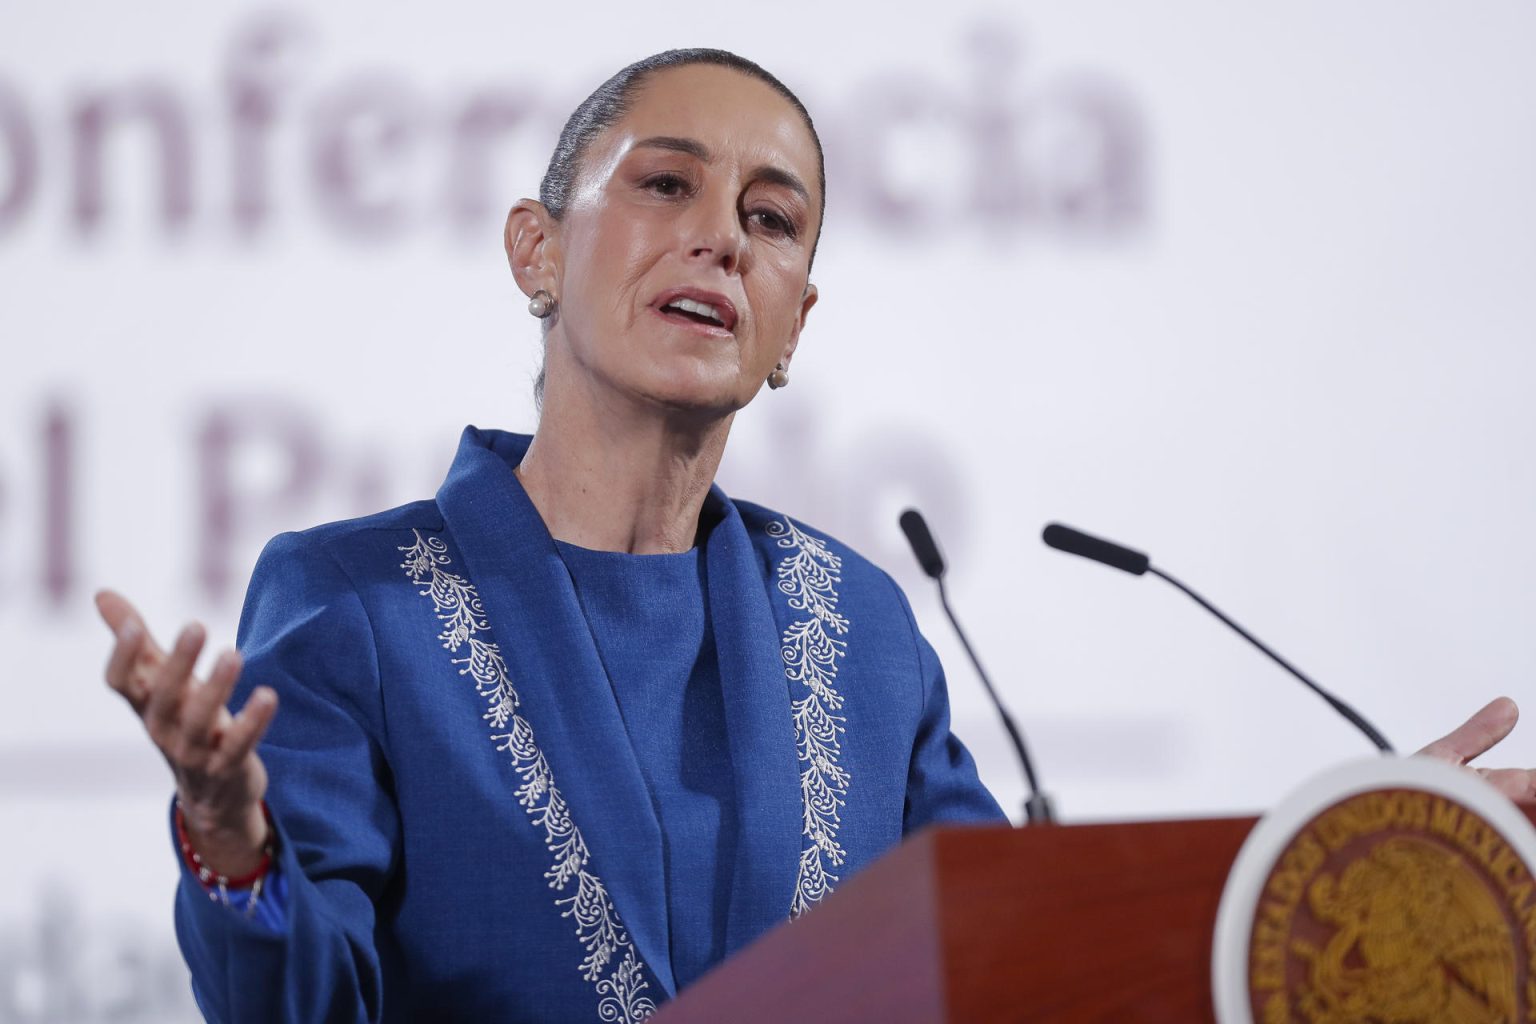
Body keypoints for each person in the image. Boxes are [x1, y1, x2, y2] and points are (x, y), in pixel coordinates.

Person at [96, 48, 1533, 1024]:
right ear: (535, 248)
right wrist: (231, 840)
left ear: (793, 325)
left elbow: (1030, 949)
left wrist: (1339, 866)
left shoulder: (861, 628)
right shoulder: (355, 604)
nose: (722, 236)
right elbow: (305, 1004)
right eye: (665, 185)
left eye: (772, 219)